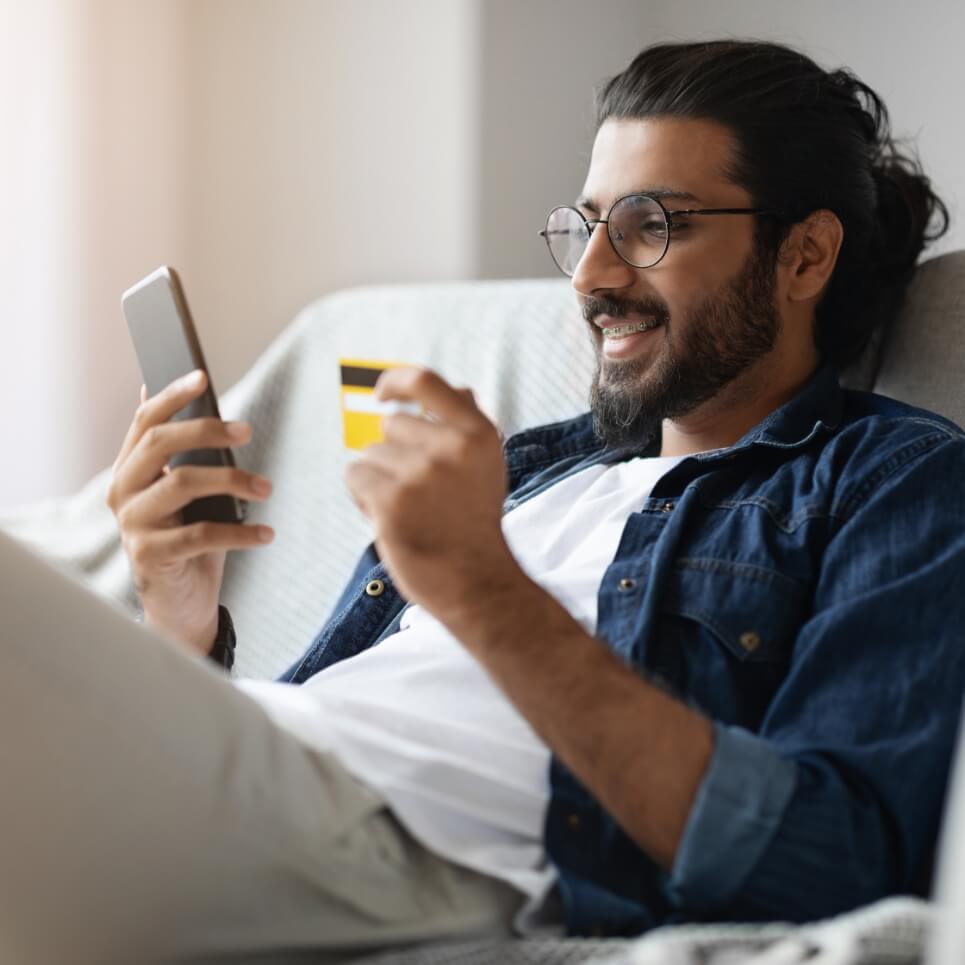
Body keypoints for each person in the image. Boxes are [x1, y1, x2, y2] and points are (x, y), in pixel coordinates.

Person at [2, 38, 964, 965]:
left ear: (803, 257)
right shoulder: (532, 468)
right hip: (272, 786)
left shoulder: (892, 481)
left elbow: (836, 856)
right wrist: (179, 616)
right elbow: (294, 735)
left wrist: (479, 584)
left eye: (649, 226)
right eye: (585, 226)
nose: (590, 277)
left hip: (385, 849)